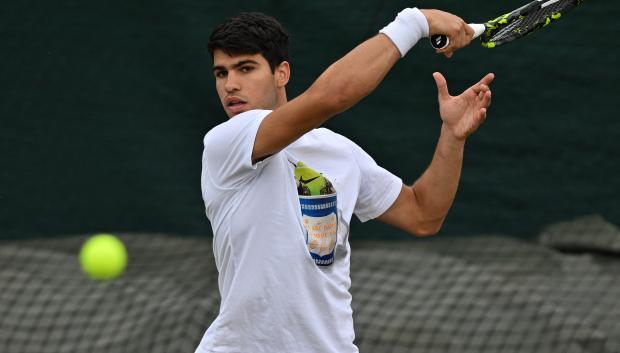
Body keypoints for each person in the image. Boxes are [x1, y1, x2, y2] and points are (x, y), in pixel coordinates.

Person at [198, 7, 494, 353]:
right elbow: (331, 97)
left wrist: (453, 136)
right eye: (221, 73)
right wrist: (414, 23)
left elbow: (423, 215)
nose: (230, 84)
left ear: (282, 74)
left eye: (245, 68)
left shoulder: (338, 152)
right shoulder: (226, 142)